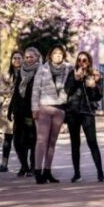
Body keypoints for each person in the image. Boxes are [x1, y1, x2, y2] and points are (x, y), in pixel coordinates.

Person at [31, 44, 73, 184]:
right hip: (44, 108)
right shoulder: (42, 69)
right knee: (41, 141)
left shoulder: (68, 68)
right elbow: (36, 89)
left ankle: (47, 171)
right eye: (55, 53)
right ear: (50, 55)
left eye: (60, 53)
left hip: (59, 109)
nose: (58, 56)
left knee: (52, 142)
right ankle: (37, 171)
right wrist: (34, 108)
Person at [64, 51, 104, 183]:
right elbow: (67, 90)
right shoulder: (72, 73)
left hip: (87, 112)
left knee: (92, 142)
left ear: (89, 62)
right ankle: (77, 173)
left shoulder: (96, 75)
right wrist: (76, 80)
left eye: (84, 60)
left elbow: (98, 96)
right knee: (74, 144)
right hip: (73, 112)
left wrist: (93, 86)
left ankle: (100, 172)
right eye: (79, 60)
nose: (81, 63)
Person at [9, 47, 41, 177]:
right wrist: (11, 108)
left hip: (32, 111)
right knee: (17, 141)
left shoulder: (41, 72)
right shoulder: (20, 71)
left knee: (32, 140)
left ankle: (33, 167)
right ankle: (24, 166)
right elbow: (16, 92)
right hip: (19, 111)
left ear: (37, 57)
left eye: (31, 57)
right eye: (26, 57)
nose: (28, 59)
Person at [0, 51, 22, 172]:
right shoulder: (6, 74)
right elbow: (1, 90)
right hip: (8, 107)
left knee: (21, 138)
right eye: (14, 58)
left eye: (19, 58)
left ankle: (24, 164)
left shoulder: (26, 73)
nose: (17, 60)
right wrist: (12, 90)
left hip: (22, 107)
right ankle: (4, 163)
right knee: (8, 137)